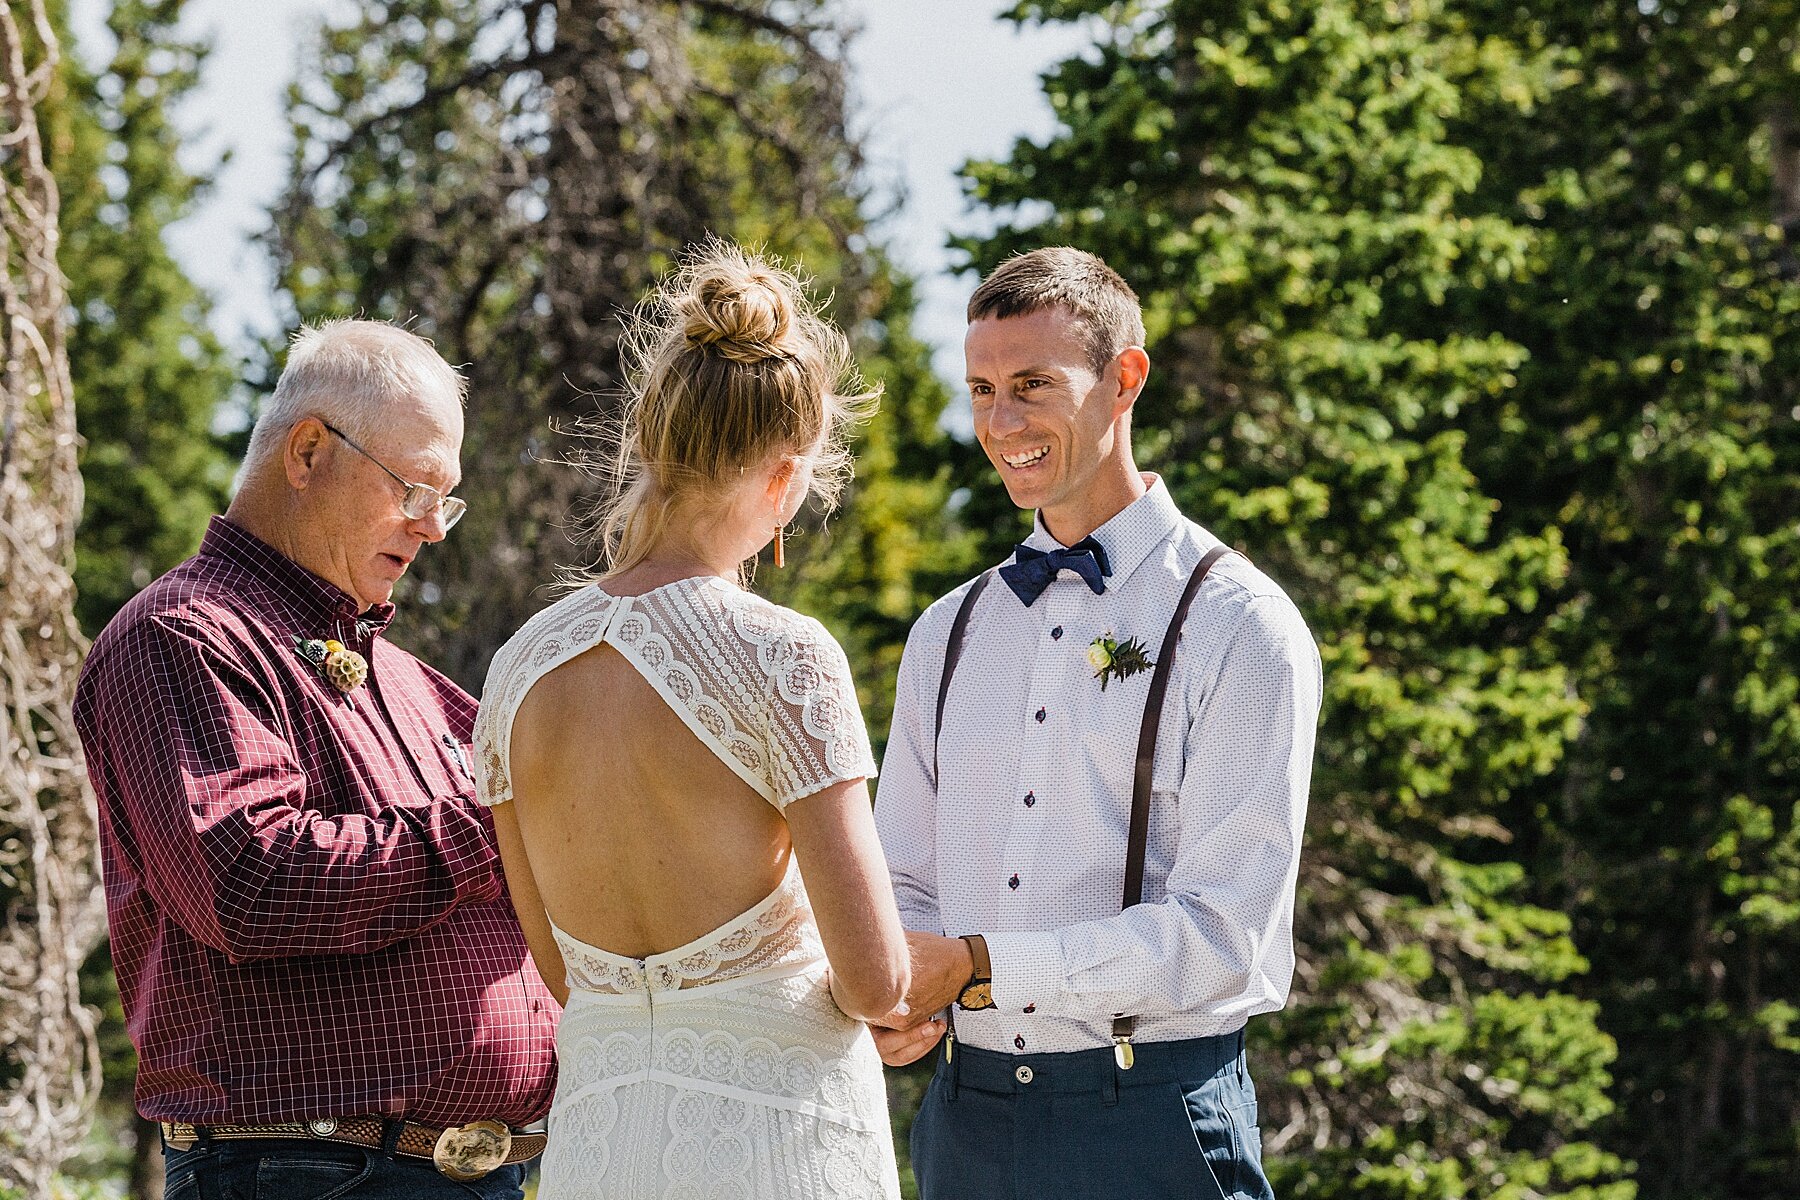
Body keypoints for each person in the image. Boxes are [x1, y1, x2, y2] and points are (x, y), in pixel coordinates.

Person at [872, 247, 1322, 1200]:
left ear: (1126, 378)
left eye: (1034, 385)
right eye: (983, 389)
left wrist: (982, 970)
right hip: (967, 1121)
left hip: (1151, 1117)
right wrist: (909, 985)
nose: (1001, 424)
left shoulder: (1239, 622)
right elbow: (905, 874)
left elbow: (1222, 933)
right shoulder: (946, 634)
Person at [73, 320, 560, 1198]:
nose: (433, 529)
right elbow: (250, 882)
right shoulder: (182, 636)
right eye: (417, 489)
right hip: (313, 1171)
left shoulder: (418, 685)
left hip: (465, 1174)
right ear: (306, 452)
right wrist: (509, 825)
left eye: (445, 503)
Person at [472, 241, 910, 1199]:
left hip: (601, 1136)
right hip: (776, 1139)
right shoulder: (783, 656)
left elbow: (555, 966)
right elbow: (875, 982)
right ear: (787, 474)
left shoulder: (520, 668)